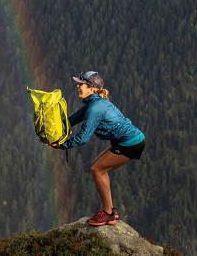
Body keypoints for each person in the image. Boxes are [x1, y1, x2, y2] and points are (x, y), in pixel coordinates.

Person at [40, 71, 145, 226]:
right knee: (96, 166)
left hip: (130, 143)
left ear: (91, 88)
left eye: (81, 83)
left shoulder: (95, 108)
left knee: (97, 169)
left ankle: (108, 213)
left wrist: (62, 145)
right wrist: (48, 134)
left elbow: (83, 138)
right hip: (127, 140)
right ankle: (109, 211)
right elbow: (69, 122)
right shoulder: (92, 103)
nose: (78, 86)